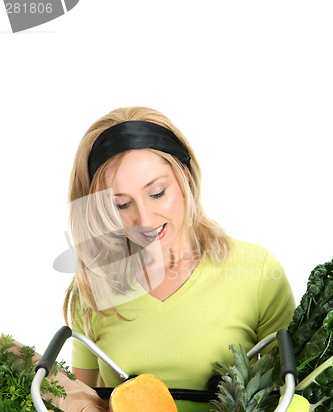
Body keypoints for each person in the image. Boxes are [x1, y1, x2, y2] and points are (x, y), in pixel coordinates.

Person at [64, 106, 296, 390]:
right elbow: (82, 407)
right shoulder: (93, 287)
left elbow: (291, 405)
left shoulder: (257, 271)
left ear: (185, 175)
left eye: (157, 193)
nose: (145, 220)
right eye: (121, 204)